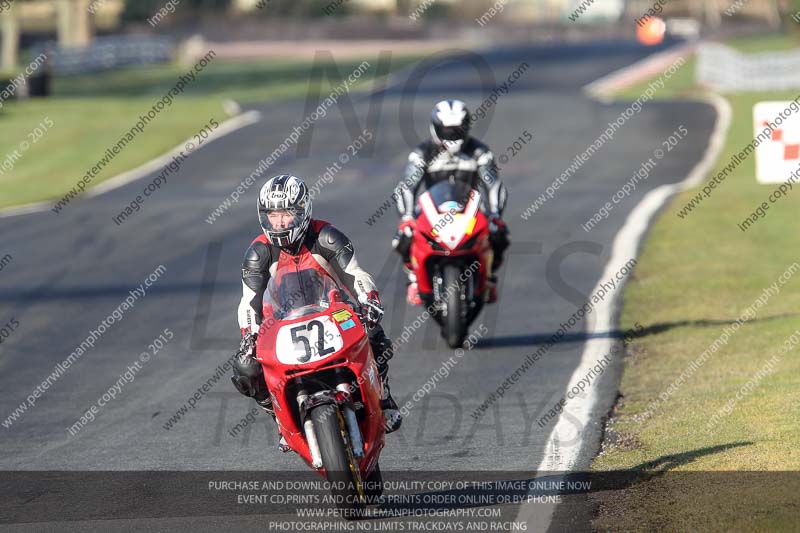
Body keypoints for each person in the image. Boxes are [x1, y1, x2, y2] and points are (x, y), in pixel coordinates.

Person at [231, 174, 402, 450]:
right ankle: (280, 419)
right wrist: (249, 334)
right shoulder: (258, 253)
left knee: (373, 333)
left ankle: (383, 396)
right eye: (273, 215)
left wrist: (368, 298)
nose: (280, 222)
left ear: (302, 210)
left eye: (286, 213)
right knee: (246, 367)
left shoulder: (327, 236)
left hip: (335, 313)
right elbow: (248, 301)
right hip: (281, 326)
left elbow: (354, 273)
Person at [391, 99, 510, 305]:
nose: (453, 136)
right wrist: (407, 217)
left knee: (499, 234)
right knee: (403, 237)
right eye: (448, 130)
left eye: (458, 130)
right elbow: (407, 186)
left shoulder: (479, 151)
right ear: (436, 128)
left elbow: (494, 185)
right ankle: (414, 278)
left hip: (470, 211)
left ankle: (488, 276)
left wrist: (495, 214)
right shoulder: (422, 152)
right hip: (432, 210)